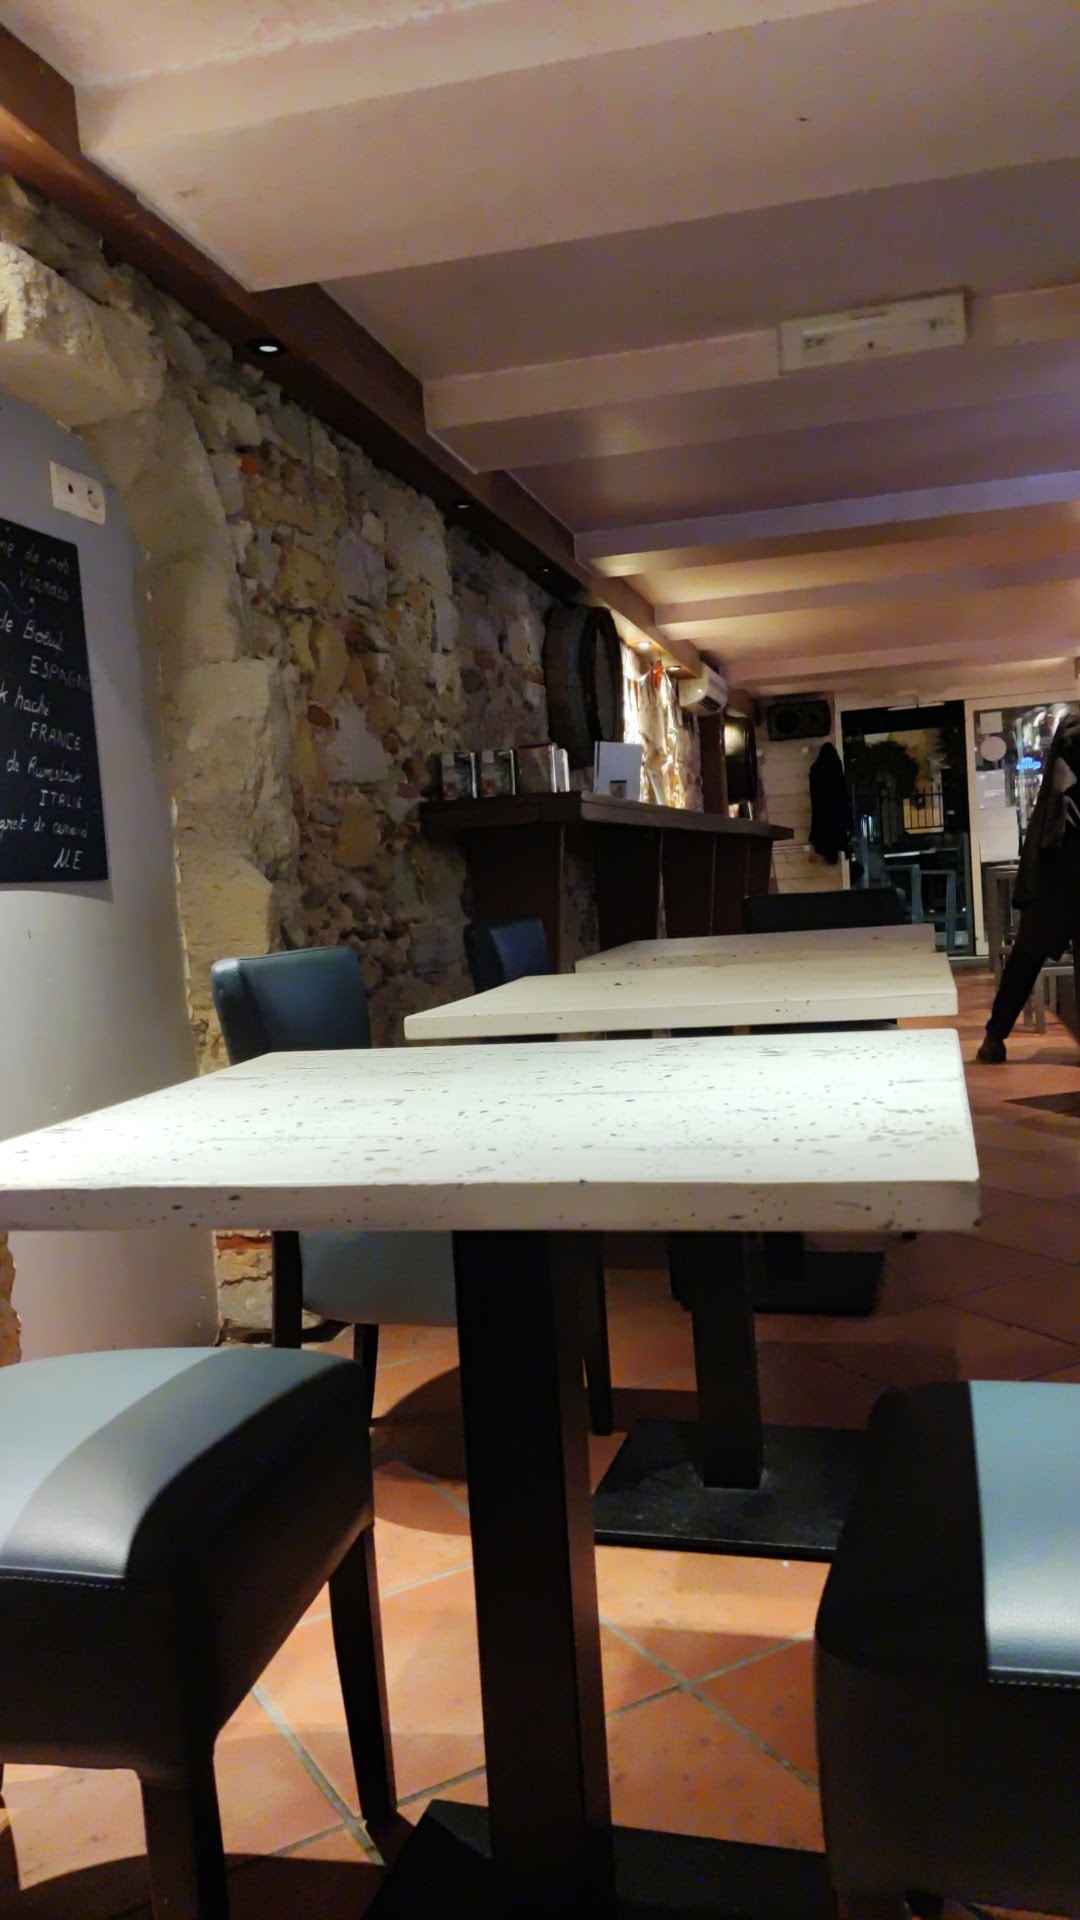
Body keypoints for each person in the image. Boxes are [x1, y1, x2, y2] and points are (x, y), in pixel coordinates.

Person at [977, 711, 1080, 1063]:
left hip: (1055, 874)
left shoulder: (1067, 745)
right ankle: (994, 1036)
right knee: (1028, 955)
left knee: (1026, 956)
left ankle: (995, 1036)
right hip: (1064, 869)